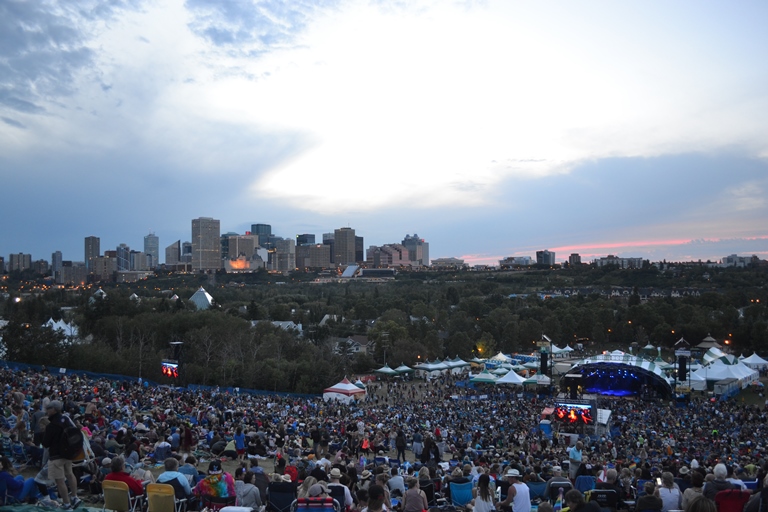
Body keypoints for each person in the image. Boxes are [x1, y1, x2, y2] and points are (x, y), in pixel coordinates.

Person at [41, 400, 81, 510]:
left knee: (60, 481)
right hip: (68, 453)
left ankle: (67, 504)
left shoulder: (51, 425)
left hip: (56, 456)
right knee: (70, 474)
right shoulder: (67, 419)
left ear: (53, 410)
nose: (47, 411)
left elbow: (45, 443)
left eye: (49, 409)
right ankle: (74, 496)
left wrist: (44, 432)